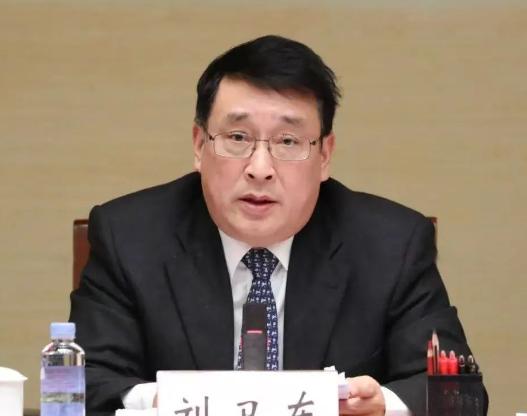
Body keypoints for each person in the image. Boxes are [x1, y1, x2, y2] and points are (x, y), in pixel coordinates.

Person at [69, 35, 478, 416]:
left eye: (288, 141)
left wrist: (383, 405)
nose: (260, 169)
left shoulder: (392, 244)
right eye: (238, 137)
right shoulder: (129, 237)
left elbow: (459, 393)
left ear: (325, 155)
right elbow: (84, 382)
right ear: (199, 144)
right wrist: (165, 402)